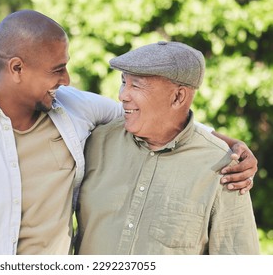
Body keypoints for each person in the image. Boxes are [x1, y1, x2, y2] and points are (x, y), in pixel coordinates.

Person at [0, 10, 256, 255]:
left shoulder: (75, 108)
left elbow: (159, 119)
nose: (66, 80)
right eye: (57, 69)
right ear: (16, 67)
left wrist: (230, 146)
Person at [75, 41, 260, 255]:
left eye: (136, 85)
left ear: (178, 97)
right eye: (123, 82)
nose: (122, 95)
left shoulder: (224, 168)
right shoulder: (96, 142)